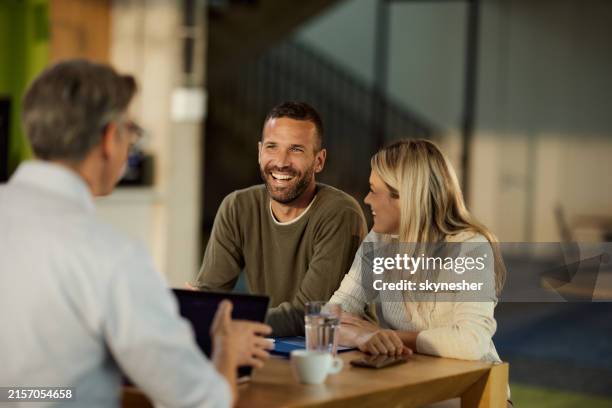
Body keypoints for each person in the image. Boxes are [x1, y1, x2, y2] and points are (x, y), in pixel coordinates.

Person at [0, 60, 272, 407]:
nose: (131, 142)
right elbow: (202, 402)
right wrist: (226, 351)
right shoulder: (111, 256)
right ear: (109, 138)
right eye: (131, 130)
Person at [330, 139, 511, 404]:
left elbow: (471, 343)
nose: (367, 199)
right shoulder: (378, 242)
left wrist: (388, 337)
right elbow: (329, 314)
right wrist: (362, 335)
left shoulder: (470, 247)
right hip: (412, 391)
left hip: (470, 396)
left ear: (405, 196)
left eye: (373, 190)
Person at [194, 102, 367, 336]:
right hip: (270, 345)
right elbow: (208, 297)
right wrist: (198, 309)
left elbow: (310, 315)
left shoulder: (340, 214)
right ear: (259, 151)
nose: (281, 161)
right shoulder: (237, 207)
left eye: (296, 149)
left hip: (340, 352)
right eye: (272, 147)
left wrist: (224, 319)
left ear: (319, 160)